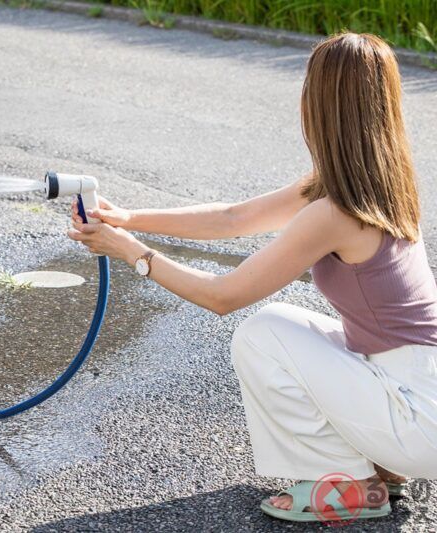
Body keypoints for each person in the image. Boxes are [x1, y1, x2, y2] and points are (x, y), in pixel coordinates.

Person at [67, 32, 437, 523]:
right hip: (419, 394)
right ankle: (380, 464)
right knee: (286, 323)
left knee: (264, 335)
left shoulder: (336, 211)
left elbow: (223, 296)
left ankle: (349, 486)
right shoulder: (378, 187)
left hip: (418, 418)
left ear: (318, 105)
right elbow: (234, 218)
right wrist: (130, 219)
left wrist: (129, 251)